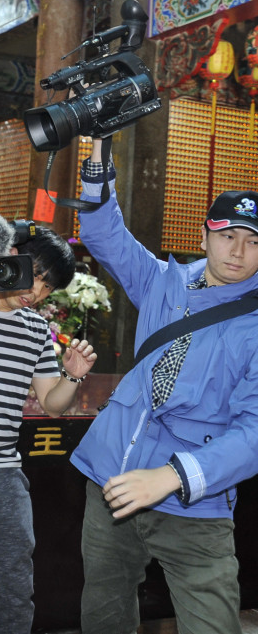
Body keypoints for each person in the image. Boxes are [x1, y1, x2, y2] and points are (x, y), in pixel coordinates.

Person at [71, 140, 258, 634]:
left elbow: (255, 431)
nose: (238, 251)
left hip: (195, 499)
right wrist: (98, 161)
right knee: (104, 611)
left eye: (254, 241)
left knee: (212, 621)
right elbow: (106, 234)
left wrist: (174, 476)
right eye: (228, 235)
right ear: (205, 234)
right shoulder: (163, 281)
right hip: (112, 475)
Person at [0, 228, 95, 634]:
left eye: (49, 286)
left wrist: (72, 376)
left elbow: (51, 403)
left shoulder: (35, 330)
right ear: (11, 257)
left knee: (15, 587)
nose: (38, 290)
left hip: (1, 474)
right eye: (37, 274)